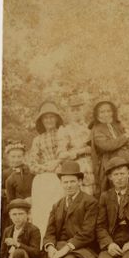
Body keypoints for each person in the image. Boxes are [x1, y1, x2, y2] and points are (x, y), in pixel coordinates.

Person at [28, 101, 73, 239]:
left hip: (62, 175)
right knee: (43, 211)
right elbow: (32, 163)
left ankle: (62, 240)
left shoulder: (63, 133)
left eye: (51, 117)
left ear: (57, 119)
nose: (49, 120)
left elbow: (67, 154)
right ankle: (43, 239)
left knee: (61, 209)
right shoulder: (37, 139)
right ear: (41, 121)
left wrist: (58, 163)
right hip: (44, 177)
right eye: (45, 118)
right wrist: (45, 168)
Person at [89, 98, 129, 196]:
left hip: (128, 159)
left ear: (113, 112)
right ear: (97, 115)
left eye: (108, 111)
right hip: (110, 161)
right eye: (102, 112)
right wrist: (125, 137)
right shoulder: (97, 129)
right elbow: (107, 145)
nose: (106, 114)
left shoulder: (117, 125)